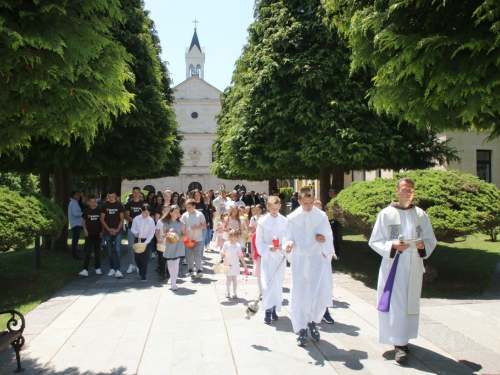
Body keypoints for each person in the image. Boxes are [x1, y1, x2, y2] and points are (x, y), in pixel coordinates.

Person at [368, 178, 437, 363]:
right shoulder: (386, 214)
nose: (408, 193)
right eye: (405, 189)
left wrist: (422, 245)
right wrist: (393, 246)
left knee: (410, 302)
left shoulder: (421, 214)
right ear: (397, 191)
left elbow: (431, 239)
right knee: (397, 303)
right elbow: (374, 241)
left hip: (414, 264)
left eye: (411, 190)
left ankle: (406, 337)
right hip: (394, 266)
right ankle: (399, 344)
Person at [283, 187, 335, 347]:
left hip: (316, 260)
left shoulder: (321, 216)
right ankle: (301, 329)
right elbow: (287, 237)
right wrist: (288, 244)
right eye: (305, 203)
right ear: (299, 201)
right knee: (300, 294)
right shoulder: (292, 218)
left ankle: (312, 321)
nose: (308, 206)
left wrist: (323, 239)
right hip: (300, 260)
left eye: (311, 202)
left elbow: (328, 235)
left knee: (316, 293)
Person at [255, 196, 288, 324]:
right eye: (272, 208)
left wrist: (282, 246)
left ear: (280, 207)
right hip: (268, 257)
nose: (274, 210)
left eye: (276, 208)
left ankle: (274, 308)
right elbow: (259, 241)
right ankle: (268, 310)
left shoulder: (285, 221)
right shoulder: (262, 222)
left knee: (277, 284)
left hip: (279, 257)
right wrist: (268, 247)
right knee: (267, 283)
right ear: (267, 207)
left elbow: (288, 237)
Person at [100, 188, 125, 278]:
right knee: (110, 251)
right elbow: (102, 219)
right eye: (109, 196)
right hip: (108, 231)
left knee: (117, 250)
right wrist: (108, 229)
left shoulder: (119, 205)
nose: (111, 198)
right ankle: (112, 268)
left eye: (112, 196)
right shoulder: (105, 205)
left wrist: (117, 229)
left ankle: (118, 269)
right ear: (107, 196)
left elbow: (122, 219)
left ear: (115, 195)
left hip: (117, 231)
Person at [159, 205, 185, 290]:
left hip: (178, 244)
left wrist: (181, 237)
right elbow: (163, 235)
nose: (178, 214)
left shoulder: (181, 223)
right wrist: (168, 232)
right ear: (171, 213)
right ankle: (172, 278)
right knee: (170, 263)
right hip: (169, 244)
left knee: (175, 263)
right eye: (176, 212)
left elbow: (185, 234)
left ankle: (174, 283)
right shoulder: (165, 223)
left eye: (178, 212)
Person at [181, 199, 207, 279]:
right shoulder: (185, 215)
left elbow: (204, 225)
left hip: (198, 238)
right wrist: (184, 233)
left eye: (189, 207)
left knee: (197, 254)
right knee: (189, 255)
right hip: (188, 239)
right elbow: (182, 226)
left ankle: (199, 269)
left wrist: (197, 227)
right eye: (187, 207)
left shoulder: (199, 214)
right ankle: (190, 269)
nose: (188, 209)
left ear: (194, 206)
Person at [79, 195, 103, 276]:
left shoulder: (99, 210)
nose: (93, 204)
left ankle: (97, 267)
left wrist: (102, 231)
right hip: (89, 234)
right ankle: (85, 269)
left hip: (98, 234)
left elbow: (102, 222)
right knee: (88, 252)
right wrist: (85, 230)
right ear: (88, 202)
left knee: (97, 252)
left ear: (96, 202)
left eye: (94, 202)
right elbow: (84, 221)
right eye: (91, 202)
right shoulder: (86, 211)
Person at [131, 203, 156, 282]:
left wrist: (146, 242)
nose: (146, 214)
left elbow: (152, 232)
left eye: (148, 213)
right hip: (138, 239)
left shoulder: (150, 220)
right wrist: (136, 232)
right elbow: (132, 228)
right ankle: (140, 268)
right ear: (141, 211)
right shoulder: (136, 218)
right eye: (145, 212)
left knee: (145, 258)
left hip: (146, 240)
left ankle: (143, 275)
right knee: (137, 256)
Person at [221, 229, 248, 298]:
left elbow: (240, 256)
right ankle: (227, 291)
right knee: (228, 278)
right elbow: (223, 251)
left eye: (234, 238)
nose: (232, 239)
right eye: (231, 237)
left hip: (235, 264)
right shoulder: (226, 244)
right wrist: (222, 254)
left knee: (234, 278)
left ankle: (234, 292)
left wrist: (244, 265)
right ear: (229, 237)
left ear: (237, 237)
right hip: (227, 263)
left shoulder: (238, 245)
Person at [124, 187, 143, 274]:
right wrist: (135, 222)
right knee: (131, 246)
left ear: (140, 193)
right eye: (134, 192)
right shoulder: (128, 204)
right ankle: (132, 264)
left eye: (137, 192)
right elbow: (127, 216)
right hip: (131, 228)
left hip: (142, 228)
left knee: (140, 247)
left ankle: (139, 264)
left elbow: (145, 215)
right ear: (132, 193)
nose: (136, 194)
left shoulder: (143, 204)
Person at [326, 186, 341, 260]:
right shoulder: (332, 199)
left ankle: (336, 254)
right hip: (330, 220)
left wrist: (327, 207)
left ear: (333, 192)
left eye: (330, 191)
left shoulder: (335, 200)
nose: (328, 193)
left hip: (333, 220)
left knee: (333, 237)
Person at [68, 191, 83, 260]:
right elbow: (75, 214)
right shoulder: (73, 203)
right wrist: (82, 213)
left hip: (77, 223)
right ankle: (73, 255)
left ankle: (74, 254)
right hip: (75, 224)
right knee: (75, 240)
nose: (79, 196)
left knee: (75, 240)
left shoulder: (75, 203)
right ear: (74, 196)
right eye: (77, 195)